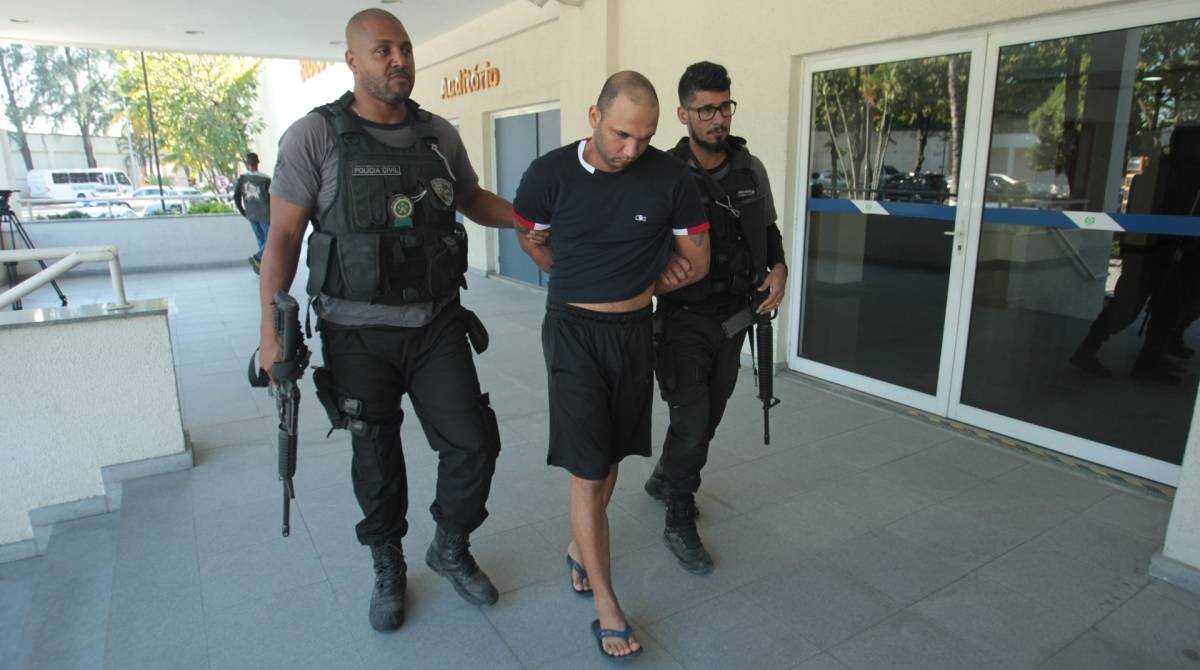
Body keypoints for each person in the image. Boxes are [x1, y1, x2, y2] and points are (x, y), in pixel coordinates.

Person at [258, 8, 522, 632]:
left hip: (436, 324)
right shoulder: (314, 136)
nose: (398, 59)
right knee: (375, 456)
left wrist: (529, 220)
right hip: (355, 333)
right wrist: (270, 332)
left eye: (404, 48)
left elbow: (470, 197)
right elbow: (283, 238)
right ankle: (388, 562)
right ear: (352, 60)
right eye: (382, 50)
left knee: (474, 444)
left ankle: (450, 545)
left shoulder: (438, 135)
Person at [513, 71, 710, 660]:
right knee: (588, 468)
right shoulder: (547, 174)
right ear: (594, 117)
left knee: (614, 456)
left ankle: (581, 547)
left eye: (645, 138)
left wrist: (646, 282)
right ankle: (608, 606)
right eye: (623, 134)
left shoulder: (671, 178)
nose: (632, 149)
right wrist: (577, 277)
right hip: (573, 333)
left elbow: (696, 262)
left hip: (633, 333)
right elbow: (530, 236)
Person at [642, 61, 788, 573]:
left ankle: (666, 477)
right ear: (683, 114)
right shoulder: (660, 174)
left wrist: (779, 267)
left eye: (724, 106)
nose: (718, 118)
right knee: (692, 419)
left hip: (735, 320)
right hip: (682, 320)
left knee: (711, 415)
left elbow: (768, 229)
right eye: (705, 110)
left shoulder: (750, 169)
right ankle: (678, 516)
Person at [233, 152, 271, 274]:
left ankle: (261, 266)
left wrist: (243, 211)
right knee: (269, 241)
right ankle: (258, 258)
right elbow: (272, 198)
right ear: (258, 163)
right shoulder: (266, 179)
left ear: (246, 163)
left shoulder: (242, 179)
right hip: (265, 215)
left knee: (261, 241)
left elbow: (236, 196)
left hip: (251, 214)